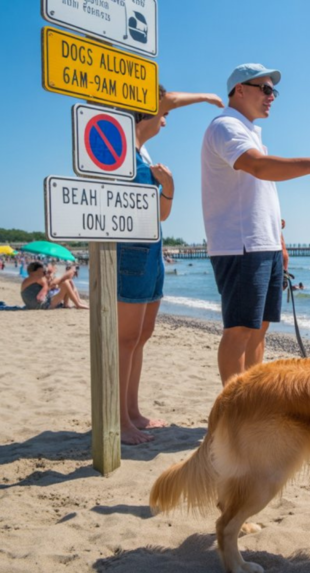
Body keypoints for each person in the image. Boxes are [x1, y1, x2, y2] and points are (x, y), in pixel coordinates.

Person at [201, 63, 310, 385]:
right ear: (239, 90)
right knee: (240, 329)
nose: (272, 96)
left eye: (274, 91)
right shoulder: (226, 126)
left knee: (259, 328)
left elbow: (261, 194)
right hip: (241, 245)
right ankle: (233, 410)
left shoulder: (249, 131)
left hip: (263, 245)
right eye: (265, 89)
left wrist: (280, 244)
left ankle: (252, 403)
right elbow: (257, 167)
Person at [117, 85, 222, 445]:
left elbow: (161, 213)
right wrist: (207, 97)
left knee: (141, 337)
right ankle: (119, 420)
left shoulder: (144, 154)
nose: (167, 118)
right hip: (129, 252)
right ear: (146, 108)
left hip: (151, 251)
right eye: (164, 112)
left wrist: (170, 186)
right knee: (126, 339)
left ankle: (132, 412)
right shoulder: (120, 151)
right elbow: (167, 98)